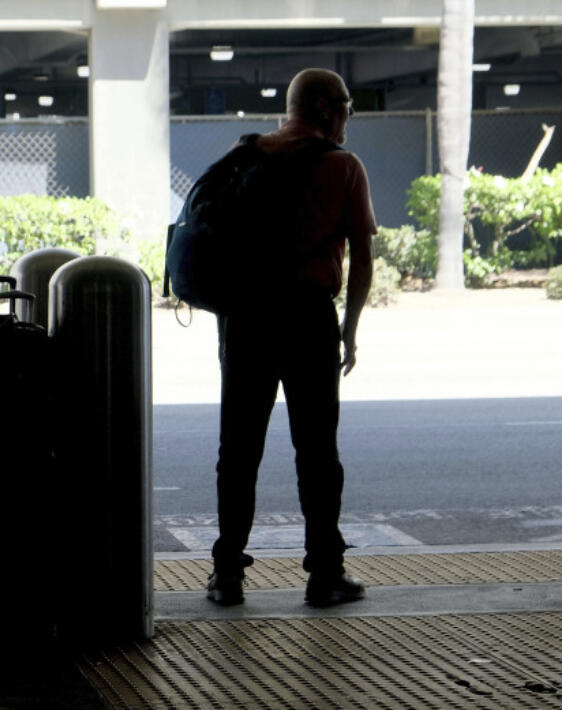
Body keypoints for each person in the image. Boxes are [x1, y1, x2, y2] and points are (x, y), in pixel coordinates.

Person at [205, 68, 376, 607]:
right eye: (346, 105)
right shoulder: (344, 167)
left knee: (238, 449)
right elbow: (363, 258)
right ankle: (324, 573)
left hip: (246, 318)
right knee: (317, 450)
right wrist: (348, 328)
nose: (349, 115)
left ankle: (227, 573)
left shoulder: (246, 155)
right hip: (307, 319)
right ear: (326, 108)